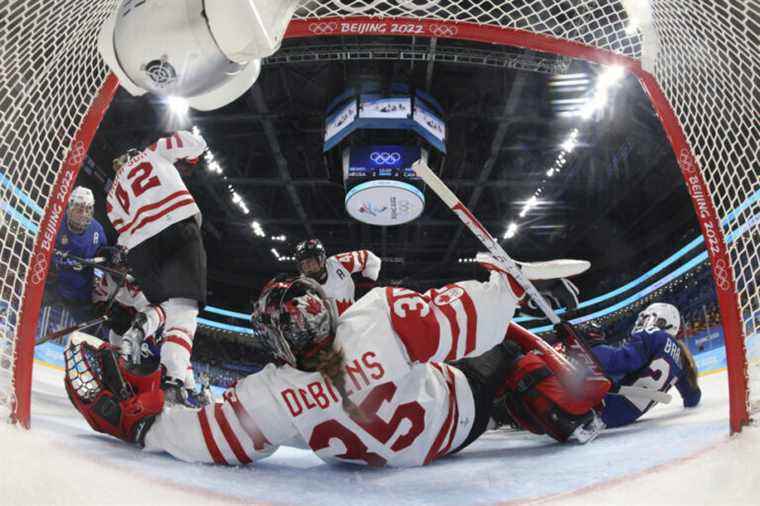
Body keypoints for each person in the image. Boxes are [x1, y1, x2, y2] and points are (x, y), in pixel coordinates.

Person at [64, 259, 610, 468]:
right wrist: (505, 285)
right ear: (325, 308)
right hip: (456, 419)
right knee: (505, 352)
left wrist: (145, 428)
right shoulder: (377, 318)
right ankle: (555, 395)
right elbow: (477, 323)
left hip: (400, 456)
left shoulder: (267, 396)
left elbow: (204, 439)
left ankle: (517, 407)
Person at [106, 130, 208, 404]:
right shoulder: (151, 152)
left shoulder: (111, 197)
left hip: (141, 250)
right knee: (183, 313)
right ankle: (174, 384)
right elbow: (196, 143)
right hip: (176, 228)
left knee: (165, 308)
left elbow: (123, 237)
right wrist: (190, 159)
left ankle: (140, 326)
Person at [589, 303, 701, 428]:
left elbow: (621, 362)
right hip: (624, 417)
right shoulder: (680, 358)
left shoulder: (653, 334)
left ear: (662, 321)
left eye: (646, 318)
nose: (642, 322)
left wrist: (593, 348)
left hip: (602, 406)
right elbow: (692, 396)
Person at [47, 186, 108, 321]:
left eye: (87, 210)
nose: (84, 214)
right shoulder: (55, 223)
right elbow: (44, 250)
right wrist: (59, 261)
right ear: (70, 208)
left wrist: (105, 259)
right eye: (79, 210)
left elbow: (104, 256)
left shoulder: (97, 230)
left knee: (87, 325)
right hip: (53, 285)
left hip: (80, 292)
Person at [294, 238, 381, 314]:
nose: (306, 266)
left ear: (321, 259)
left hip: (354, 321)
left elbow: (369, 257)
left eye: (309, 261)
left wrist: (366, 285)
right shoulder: (302, 286)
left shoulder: (339, 263)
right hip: (328, 330)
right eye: (302, 263)